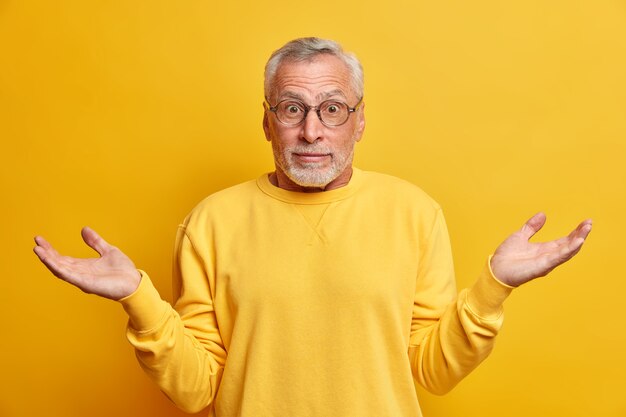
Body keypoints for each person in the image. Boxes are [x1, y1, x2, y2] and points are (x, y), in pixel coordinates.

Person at [33, 37, 592, 417]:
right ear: (267, 123)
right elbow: (197, 386)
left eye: (332, 109)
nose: (311, 131)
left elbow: (433, 370)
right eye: (291, 108)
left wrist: (494, 288)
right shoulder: (210, 222)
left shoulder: (415, 212)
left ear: (360, 121)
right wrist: (139, 298)